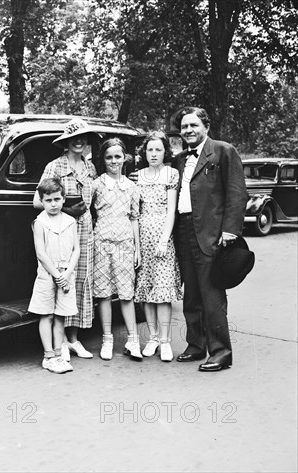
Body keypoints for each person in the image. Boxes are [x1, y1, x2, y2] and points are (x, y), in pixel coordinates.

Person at [174, 107, 247, 371]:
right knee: (190, 293)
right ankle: (196, 345)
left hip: (211, 232)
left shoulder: (223, 150)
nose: (188, 131)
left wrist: (229, 231)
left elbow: (237, 192)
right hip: (183, 230)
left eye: (193, 125)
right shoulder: (180, 158)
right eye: (184, 127)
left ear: (206, 126)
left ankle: (221, 352)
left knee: (212, 294)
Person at [33, 118, 97, 361]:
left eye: (83, 137)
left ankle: (73, 339)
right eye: (74, 138)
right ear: (67, 141)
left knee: (79, 281)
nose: (79, 141)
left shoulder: (89, 167)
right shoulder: (55, 167)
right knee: (60, 280)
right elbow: (37, 201)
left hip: (85, 230)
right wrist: (66, 210)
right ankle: (58, 344)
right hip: (61, 229)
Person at [91, 138, 142, 360]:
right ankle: (107, 339)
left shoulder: (131, 187)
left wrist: (137, 249)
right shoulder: (96, 185)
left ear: (125, 158)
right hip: (102, 244)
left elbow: (134, 218)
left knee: (126, 293)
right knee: (103, 294)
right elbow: (87, 213)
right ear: (103, 159)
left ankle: (133, 340)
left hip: (125, 244)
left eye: (118, 156)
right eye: (109, 157)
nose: (114, 161)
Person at [134, 131, 183, 362]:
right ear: (144, 152)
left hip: (162, 236)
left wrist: (164, 239)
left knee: (163, 292)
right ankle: (152, 337)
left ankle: (165, 340)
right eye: (150, 150)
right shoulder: (138, 176)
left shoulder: (171, 174)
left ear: (165, 152)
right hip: (143, 234)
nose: (153, 154)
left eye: (158, 150)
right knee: (146, 289)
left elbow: (171, 210)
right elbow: (135, 212)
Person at [28, 178, 80, 374]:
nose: (53, 204)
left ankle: (59, 355)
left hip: (66, 274)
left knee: (60, 317)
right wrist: (58, 275)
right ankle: (48, 356)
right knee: (47, 315)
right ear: (42, 200)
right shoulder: (40, 222)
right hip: (47, 275)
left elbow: (76, 249)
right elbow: (41, 253)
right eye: (48, 200)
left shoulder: (70, 221)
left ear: (63, 199)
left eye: (57, 199)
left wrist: (66, 274)